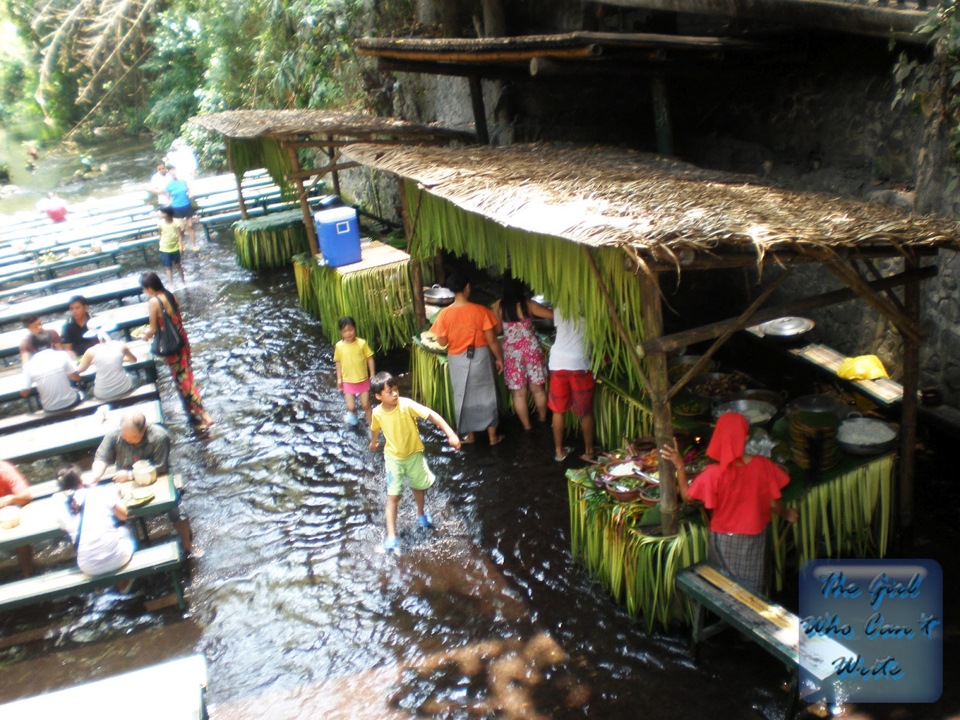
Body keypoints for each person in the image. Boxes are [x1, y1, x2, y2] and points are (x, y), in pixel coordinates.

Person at [661, 412, 799, 595]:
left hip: (723, 540)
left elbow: (687, 497)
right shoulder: (762, 465)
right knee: (751, 590)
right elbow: (774, 504)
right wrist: (787, 514)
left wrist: (679, 466)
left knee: (722, 588)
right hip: (754, 539)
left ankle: (723, 616)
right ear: (746, 438)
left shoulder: (713, 473)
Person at [368, 371, 461, 553]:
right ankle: (392, 536)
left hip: (414, 456)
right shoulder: (377, 413)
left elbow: (432, 415)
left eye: (395, 389)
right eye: (389, 392)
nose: (395, 394)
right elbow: (375, 429)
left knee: (419, 487)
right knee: (393, 496)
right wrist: (373, 442)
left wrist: (450, 434)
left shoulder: (406, 405)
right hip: (393, 459)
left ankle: (421, 514)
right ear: (379, 396)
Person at [87, 410, 202, 557]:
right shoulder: (114, 435)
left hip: (156, 479)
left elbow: (160, 467)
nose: (128, 440)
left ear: (145, 429)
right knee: (115, 513)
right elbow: (101, 458)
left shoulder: (159, 436)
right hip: (125, 484)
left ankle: (187, 544)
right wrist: (96, 475)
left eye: (133, 438)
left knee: (177, 507)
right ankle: (129, 550)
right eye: (125, 437)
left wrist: (129, 475)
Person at [429, 271, 504, 445]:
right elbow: (492, 340)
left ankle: (470, 436)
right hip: (481, 357)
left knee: (463, 396)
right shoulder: (481, 311)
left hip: (457, 359)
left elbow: (442, 341)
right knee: (488, 394)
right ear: (467, 287)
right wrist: (499, 359)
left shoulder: (444, 315)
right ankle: (493, 438)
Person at [140, 272, 213, 431]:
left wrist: (143, 337)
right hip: (181, 340)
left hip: (171, 345)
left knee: (184, 379)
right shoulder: (171, 295)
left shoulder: (154, 301)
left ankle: (204, 414)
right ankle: (192, 414)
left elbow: (153, 329)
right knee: (184, 375)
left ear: (148, 288)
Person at [492, 274, 551, 431]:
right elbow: (552, 316)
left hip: (512, 354)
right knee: (538, 390)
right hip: (531, 350)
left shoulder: (498, 306)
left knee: (518, 394)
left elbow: (497, 330)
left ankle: (527, 427)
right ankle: (543, 420)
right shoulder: (528, 305)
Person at [56, 464, 135, 579]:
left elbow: (64, 527)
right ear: (81, 479)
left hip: (89, 568)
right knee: (124, 529)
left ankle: (100, 588)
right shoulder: (100, 492)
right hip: (118, 560)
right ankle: (125, 581)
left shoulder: (60, 505)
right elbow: (123, 515)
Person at [548, 309, 596, 463]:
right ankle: (589, 451)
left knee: (558, 410)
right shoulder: (591, 303)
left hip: (557, 362)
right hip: (579, 363)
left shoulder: (560, 303)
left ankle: (559, 451)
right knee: (585, 412)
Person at [21, 332, 82, 412]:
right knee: (82, 392)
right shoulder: (63, 355)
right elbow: (77, 378)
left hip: (49, 408)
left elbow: (24, 393)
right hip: (71, 402)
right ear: (51, 345)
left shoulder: (28, 365)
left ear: (33, 349)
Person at [75, 324, 136, 401]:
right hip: (124, 388)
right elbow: (133, 359)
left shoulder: (90, 352)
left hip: (103, 393)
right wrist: (120, 359)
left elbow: (79, 370)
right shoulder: (121, 345)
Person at [334, 316, 375, 427]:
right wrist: (339, 378)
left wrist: (372, 374)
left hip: (362, 379)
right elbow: (338, 362)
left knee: (365, 404)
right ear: (341, 332)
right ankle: (353, 415)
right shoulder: (339, 346)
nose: (348, 333)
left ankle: (371, 424)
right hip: (348, 380)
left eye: (350, 330)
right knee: (351, 407)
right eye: (345, 331)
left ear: (355, 328)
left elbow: (369, 358)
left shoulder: (361, 343)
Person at [0, 460, 34, 577]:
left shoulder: (4, 470)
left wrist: (12, 499)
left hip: (9, 512)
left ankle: (27, 575)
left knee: (21, 539)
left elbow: (27, 496)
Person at [165, 167, 199, 251]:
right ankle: (181, 244)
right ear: (169, 173)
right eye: (171, 172)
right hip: (176, 208)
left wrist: (190, 194)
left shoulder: (183, 182)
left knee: (190, 225)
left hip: (186, 205)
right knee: (181, 228)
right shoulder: (168, 186)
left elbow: (188, 190)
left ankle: (194, 245)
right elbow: (168, 198)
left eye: (174, 171)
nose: (173, 173)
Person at [157, 207, 186, 285]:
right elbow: (160, 234)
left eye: (163, 213)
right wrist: (161, 242)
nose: (162, 214)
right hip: (164, 248)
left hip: (175, 248)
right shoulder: (160, 223)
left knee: (178, 265)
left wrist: (181, 245)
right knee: (168, 267)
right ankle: (171, 284)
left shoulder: (176, 223)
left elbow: (179, 235)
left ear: (168, 214)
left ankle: (183, 282)